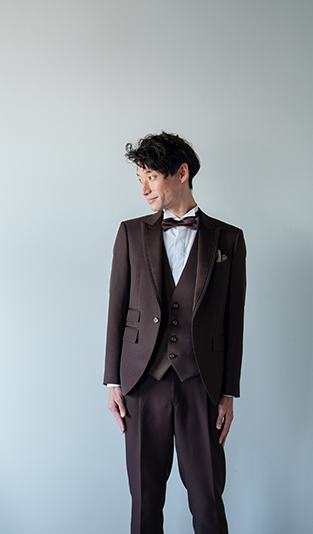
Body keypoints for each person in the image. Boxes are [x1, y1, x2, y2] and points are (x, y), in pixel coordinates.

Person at [104, 133, 246, 534]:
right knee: (145, 501)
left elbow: (233, 320)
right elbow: (116, 309)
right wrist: (113, 381)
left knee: (207, 499)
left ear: (181, 174)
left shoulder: (229, 239)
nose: (144, 188)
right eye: (140, 179)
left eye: (151, 176)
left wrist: (228, 392)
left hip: (201, 383)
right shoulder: (130, 233)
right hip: (141, 382)